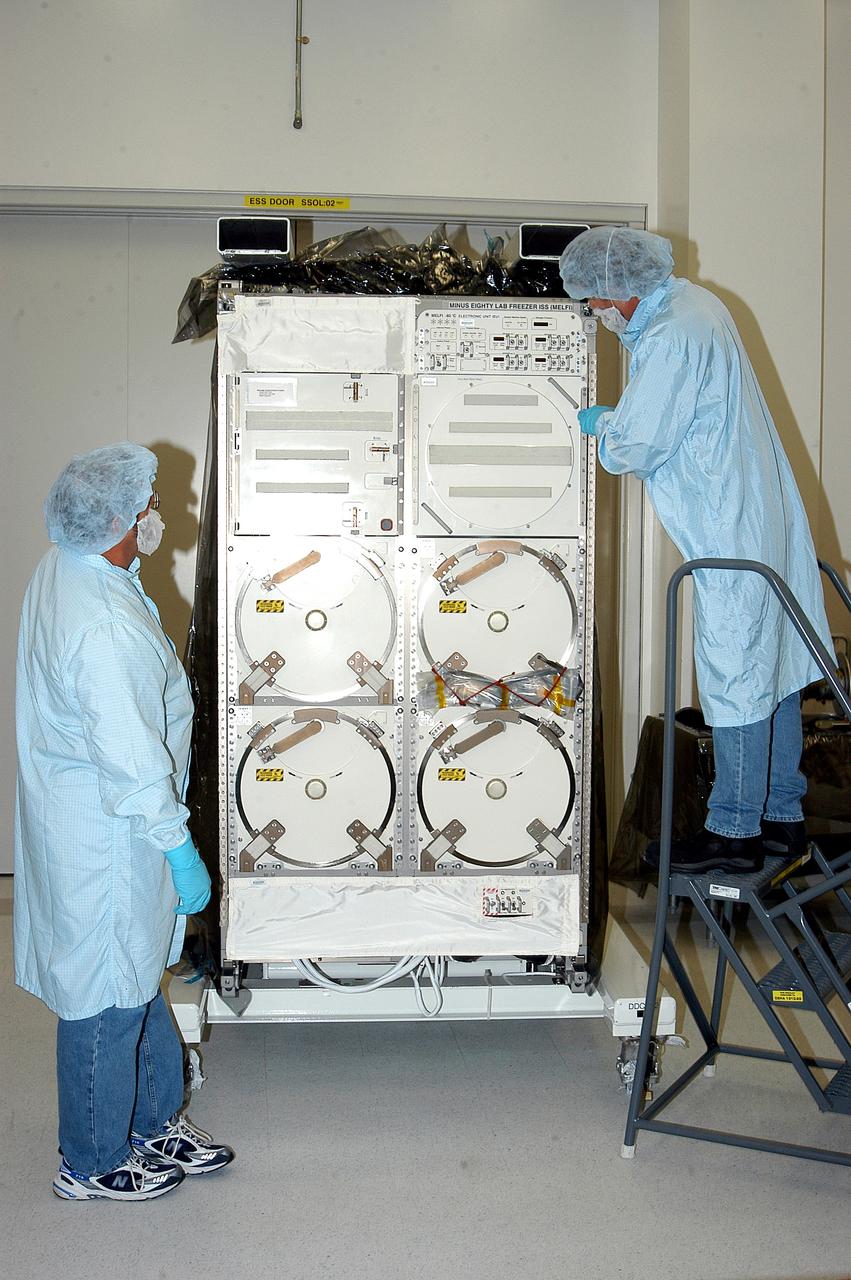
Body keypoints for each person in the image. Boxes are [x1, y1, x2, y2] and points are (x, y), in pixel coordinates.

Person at [559, 227, 832, 875]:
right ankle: (781, 819)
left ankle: (732, 831)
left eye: (594, 302)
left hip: (727, 527)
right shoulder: (696, 304)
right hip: (760, 521)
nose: (595, 314)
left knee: (738, 674)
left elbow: (639, 444)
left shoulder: (669, 336)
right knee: (776, 670)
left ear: (618, 291)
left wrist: (601, 424)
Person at [14, 443, 233, 1201]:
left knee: (137, 976)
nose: (159, 516)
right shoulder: (100, 624)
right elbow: (132, 756)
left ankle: (149, 1122)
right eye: (148, 506)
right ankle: (92, 1160)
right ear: (115, 518)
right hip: (110, 830)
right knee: (105, 993)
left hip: (106, 820)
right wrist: (179, 849)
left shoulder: (78, 570)